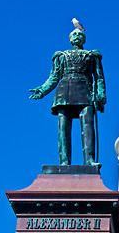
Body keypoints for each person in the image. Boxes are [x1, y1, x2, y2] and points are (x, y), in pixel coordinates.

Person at [29, 28, 106, 166]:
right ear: (70, 38)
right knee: (63, 128)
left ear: (84, 39)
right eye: (74, 34)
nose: (77, 36)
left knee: (88, 126)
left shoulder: (92, 56)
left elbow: (99, 77)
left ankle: (89, 160)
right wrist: (42, 90)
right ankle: (64, 162)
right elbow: (53, 78)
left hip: (85, 92)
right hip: (64, 92)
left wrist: (101, 94)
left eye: (80, 34)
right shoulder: (61, 56)